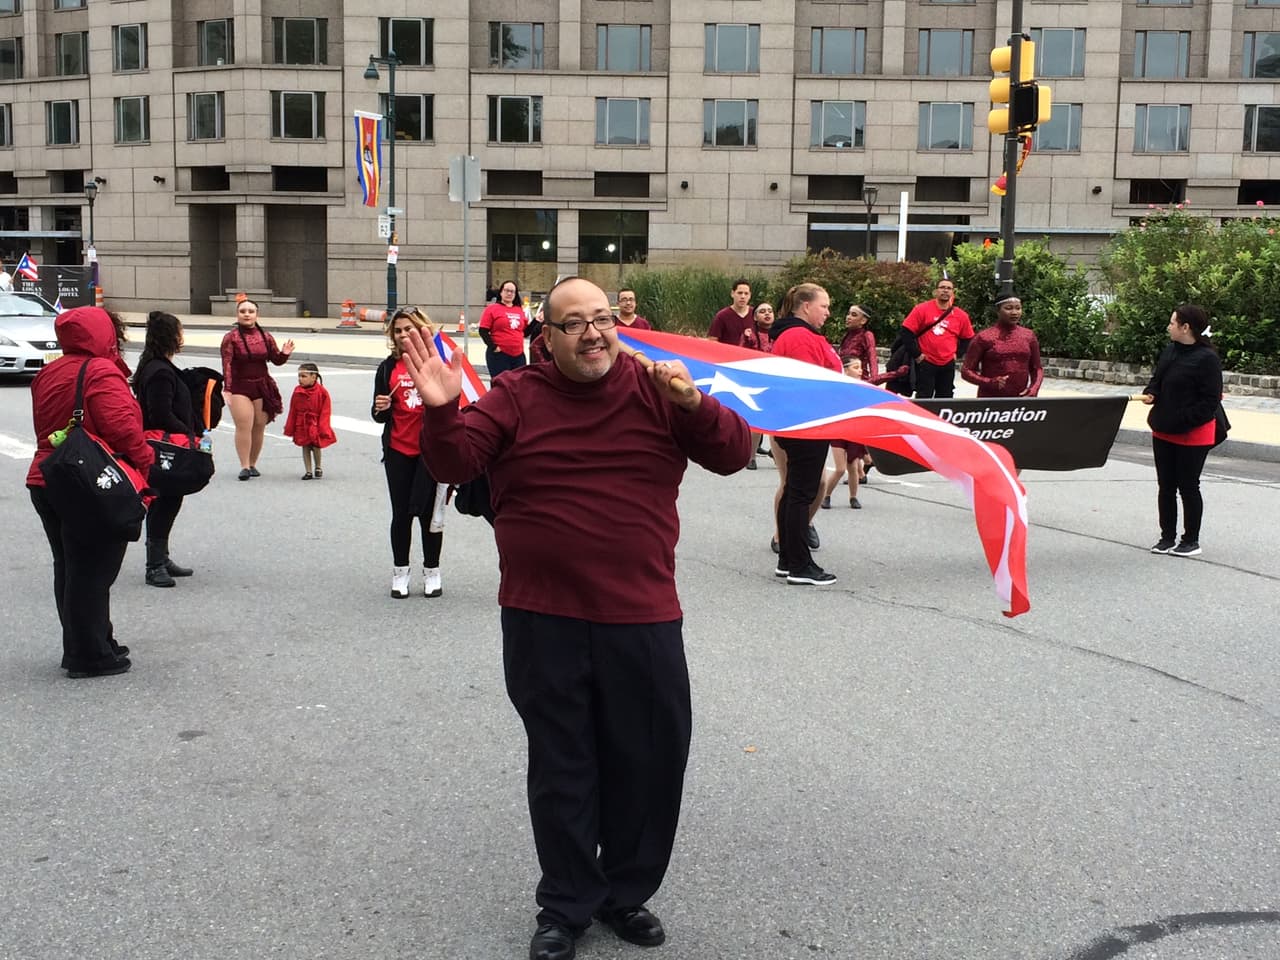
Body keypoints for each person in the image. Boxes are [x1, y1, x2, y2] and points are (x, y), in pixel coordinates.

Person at [401, 277, 751, 960]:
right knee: (564, 766)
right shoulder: (517, 396)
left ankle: (625, 894)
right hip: (542, 617)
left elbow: (734, 454)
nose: (594, 332)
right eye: (574, 323)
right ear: (548, 337)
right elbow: (456, 460)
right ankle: (566, 903)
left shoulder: (658, 388)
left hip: (642, 614)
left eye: (602, 319)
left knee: (647, 762)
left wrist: (694, 400)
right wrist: (443, 412)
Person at [27, 307, 154, 677]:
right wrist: (145, 462)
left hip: (46, 477)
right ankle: (90, 654)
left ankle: (90, 641)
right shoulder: (99, 370)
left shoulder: (49, 371)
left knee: (69, 566)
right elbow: (121, 428)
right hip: (89, 481)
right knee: (94, 571)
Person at [371, 308, 446, 599]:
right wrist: (381, 408)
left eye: (408, 329)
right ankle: (400, 572)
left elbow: (450, 409)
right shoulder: (388, 368)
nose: (403, 335)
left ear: (421, 330)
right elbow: (378, 416)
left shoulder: (435, 364)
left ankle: (432, 571)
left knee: (429, 515)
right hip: (398, 450)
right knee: (400, 514)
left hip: (430, 452)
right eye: (398, 330)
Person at [770, 283, 840, 586]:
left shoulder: (794, 335)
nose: (827, 312)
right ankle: (799, 564)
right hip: (807, 422)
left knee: (794, 492)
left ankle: (788, 559)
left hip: (800, 421)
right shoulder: (800, 336)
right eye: (823, 306)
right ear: (806, 306)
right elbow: (809, 381)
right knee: (801, 493)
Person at [1140, 304, 1222, 558]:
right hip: (1164, 428)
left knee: (1188, 485)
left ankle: (1190, 540)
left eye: (1172, 322)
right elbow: (1158, 379)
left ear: (1185, 327)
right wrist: (1151, 392)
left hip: (1193, 432)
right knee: (1166, 486)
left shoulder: (1207, 359)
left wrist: (1183, 420)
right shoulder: (1170, 350)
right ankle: (1167, 537)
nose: (1169, 326)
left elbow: (1210, 401)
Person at [133, 311, 198, 588]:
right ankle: (154, 564)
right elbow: (160, 413)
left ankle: (162, 556)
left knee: (169, 500)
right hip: (164, 446)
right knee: (163, 501)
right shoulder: (159, 371)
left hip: (162, 444)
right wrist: (188, 433)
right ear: (171, 336)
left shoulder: (157, 365)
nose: (182, 337)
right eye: (179, 332)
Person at [220, 298, 294, 481]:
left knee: (259, 424)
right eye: (243, 311)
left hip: (261, 385)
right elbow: (227, 364)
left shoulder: (266, 336)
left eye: (250, 311)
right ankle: (244, 465)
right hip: (239, 386)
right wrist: (227, 388)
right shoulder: (231, 337)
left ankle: (253, 463)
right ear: (237, 314)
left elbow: (276, 360)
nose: (246, 314)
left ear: (256, 315)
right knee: (244, 425)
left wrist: (285, 353)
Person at [902, 275, 973, 399]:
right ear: (936, 291)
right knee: (924, 396)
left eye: (949, 288)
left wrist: (958, 354)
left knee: (945, 397)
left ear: (952, 292)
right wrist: (917, 355)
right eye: (942, 287)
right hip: (926, 362)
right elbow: (906, 332)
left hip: (947, 363)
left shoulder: (961, 315)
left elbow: (968, 338)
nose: (945, 290)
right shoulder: (922, 309)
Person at [961, 293, 1044, 398]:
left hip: (1021, 397)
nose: (1014, 312)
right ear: (998, 311)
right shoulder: (984, 337)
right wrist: (989, 382)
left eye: (1018, 308)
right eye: (1008, 308)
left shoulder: (1029, 336)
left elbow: (1037, 368)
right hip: (990, 399)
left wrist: (1034, 388)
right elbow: (966, 371)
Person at [820, 357, 868, 510]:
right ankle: (826, 496)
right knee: (840, 469)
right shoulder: (837, 387)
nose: (860, 370)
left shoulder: (862, 387)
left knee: (853, 467)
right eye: (856, 367)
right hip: (839, 431)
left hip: (855, 431)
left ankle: (853, 497)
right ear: (846, 370)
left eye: (860, 367)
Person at [284, 362, 337, 480]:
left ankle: (318, 466)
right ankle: (308, 471)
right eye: (299, 376)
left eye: (304, 376)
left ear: (314, 377)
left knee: (316, 445)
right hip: (301, 424)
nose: (300, 379)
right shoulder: (297, 391)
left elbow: (326, 411)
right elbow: (293, 409)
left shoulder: (322, 392)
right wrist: (290, 426)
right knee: (305, 446)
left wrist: (323, 426)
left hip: (315, 423)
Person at [479, 279, 529, 379]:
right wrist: (494, 347)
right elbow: (483, 331)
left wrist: (537, 320)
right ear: (501, 292)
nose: (509, 293)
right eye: (506, 290)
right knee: (501, 385)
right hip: (500, 355)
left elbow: (525, 332)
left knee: (518, 385)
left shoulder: (519, 310)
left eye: (512, 291)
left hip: (518, 355)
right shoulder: (492, 309)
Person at [837, 304, 878, 382]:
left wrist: (874, 379)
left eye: (854, 315)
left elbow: (872, 359)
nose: (848, 317)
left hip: (859, 380)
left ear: (863, 321)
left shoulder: (867, 335)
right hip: (844, 379)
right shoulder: (847, 335)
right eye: (848, 314)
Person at [708, 278, 754, 345]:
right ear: (732, 294)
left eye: (746, 293)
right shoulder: (722, 316)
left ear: (750, 295)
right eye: (740, 293)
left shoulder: (756, 315)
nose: (743, 296)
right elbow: (712, 341)